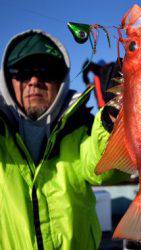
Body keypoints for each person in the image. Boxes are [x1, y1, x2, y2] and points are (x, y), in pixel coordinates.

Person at [0, 30, 129, 249]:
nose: (34, 81)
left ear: (62, 80)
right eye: (22, 72)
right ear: (7, 78)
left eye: (47, 72)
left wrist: (113, 120)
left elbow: (104, 170)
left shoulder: (79, 125)